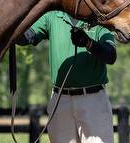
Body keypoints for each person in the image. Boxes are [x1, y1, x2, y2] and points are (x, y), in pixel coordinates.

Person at [17, 10, 116, 143]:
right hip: (60, 101)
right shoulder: (52, 16)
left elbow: (110, 55)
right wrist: (11, 22)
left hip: (93, 101)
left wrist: (89, 43)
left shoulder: (98, 19)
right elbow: (26, 37)